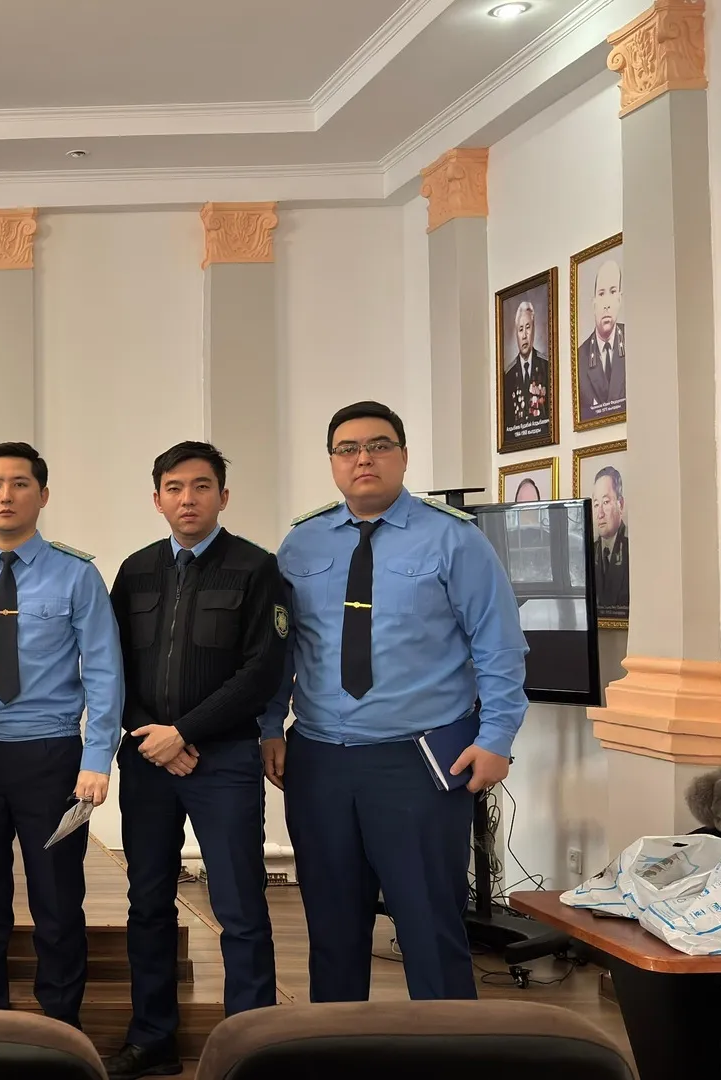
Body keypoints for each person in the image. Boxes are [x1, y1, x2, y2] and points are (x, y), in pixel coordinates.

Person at [263, 401, 528, 1003]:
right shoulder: (301, 543)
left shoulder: (455, 539)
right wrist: (270, 725)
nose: (364, 458)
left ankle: (445, 1047)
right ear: (333, 462)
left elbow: (500, 646)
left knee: (430, 925)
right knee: (332, 927)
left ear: (403, 456)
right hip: (320, 760)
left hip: (419, 761)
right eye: (348, 449)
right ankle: (338, 1043)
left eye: (379, 445)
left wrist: (497, 738)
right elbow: (281, 647)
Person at [105, 442, 287, 1079]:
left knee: (239, 907)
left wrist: (182, 733)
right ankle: (152, 1039)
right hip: (147, 761)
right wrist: (148, 734)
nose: (188, 499)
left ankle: (249, 1047)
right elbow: (111, 666)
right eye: (175, 488)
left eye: (202, 486)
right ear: (157, 499)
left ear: (223, 496)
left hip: (225, 759)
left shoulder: (256, 568)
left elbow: (262, 670)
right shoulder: (135, 570)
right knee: (148, 902)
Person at [0, 442, 121, 1033]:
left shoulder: (78, 574)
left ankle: (61, 1025)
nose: (6, 495)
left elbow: (104, 670)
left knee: (57, 899)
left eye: (20, 484)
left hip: (52, 756)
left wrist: (98, 758)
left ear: (42, 496)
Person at [577, 260, 627, 421]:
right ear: (594, 304)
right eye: (601, 293)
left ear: (619, 299)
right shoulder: (579, 358)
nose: (606, 304)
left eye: (612, 292)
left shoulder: (636, 341)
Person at [502, 300, 550, 444]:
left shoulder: (546, 366)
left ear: (534, 329)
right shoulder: (508, 376)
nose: (524, 335)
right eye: (520, 329)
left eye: (528, 327)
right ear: (516, 334)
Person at [591, 465, 628, 619]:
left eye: (606, 502)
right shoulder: (589, 553)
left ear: (620, 504)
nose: (599, 514)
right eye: (596, 504)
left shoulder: (633, 551)